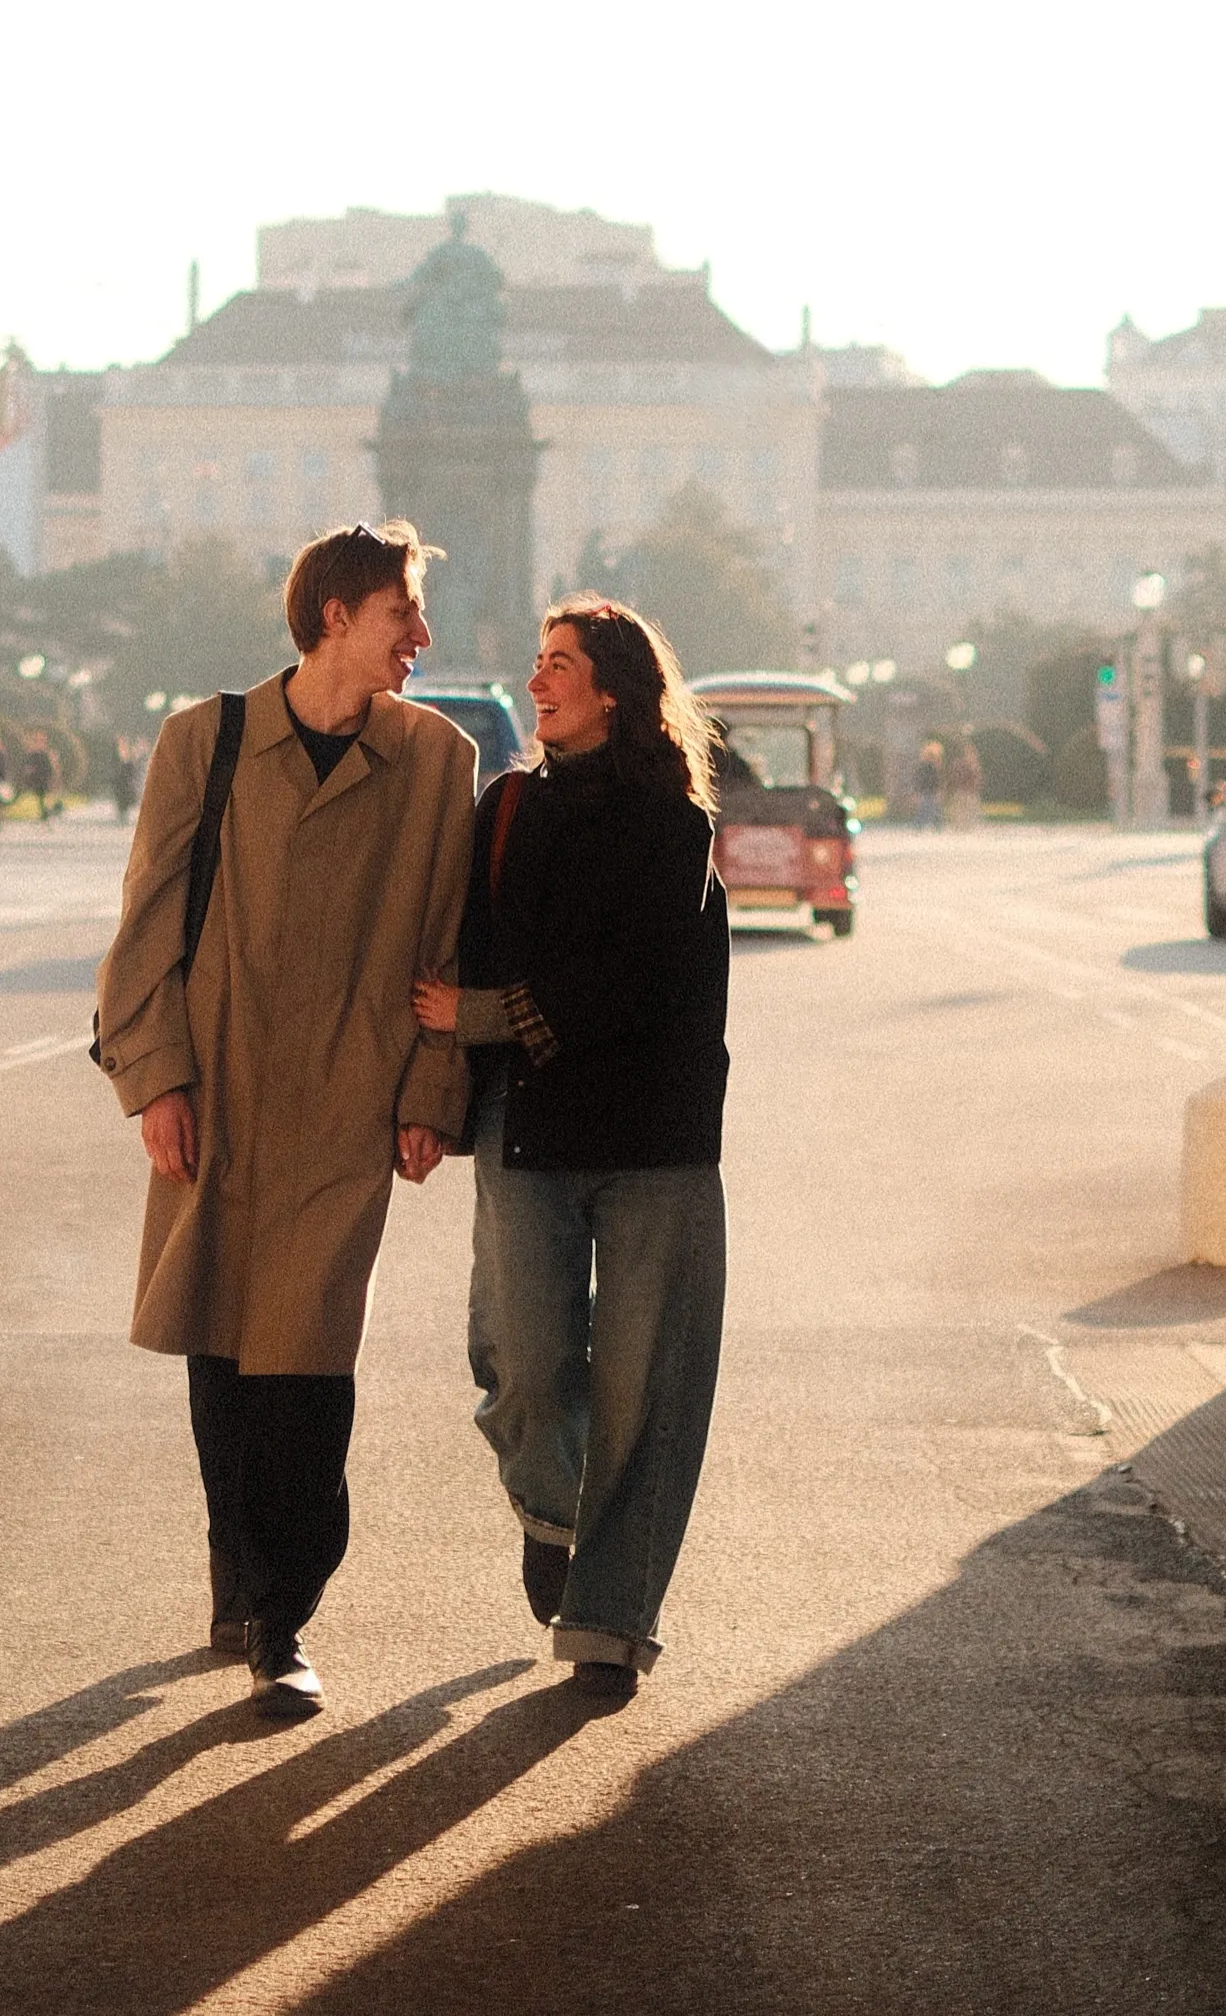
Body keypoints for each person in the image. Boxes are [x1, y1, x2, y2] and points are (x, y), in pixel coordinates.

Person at [94, 519, 474, 1720]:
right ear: (332, 618)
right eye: (401, 613)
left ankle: (282, 1615)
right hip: (217, 1086)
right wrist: (156, 1078)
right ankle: (238, 1564)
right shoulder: (202, 741)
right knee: (220, 1340)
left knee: (304, 1361)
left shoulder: (436, 759)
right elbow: (147, 917)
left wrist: (427, 1094)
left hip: (343, 1098)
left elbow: (448, 936)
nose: (421, 635)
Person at [413, 596, 729, 1709]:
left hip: (653, 1134)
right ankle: (550, 1509)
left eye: (559, 665)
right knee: (526, 1360)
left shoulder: (673, 820)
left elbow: (632, 980)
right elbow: (450, 965)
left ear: (612, 689)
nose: (537, 682)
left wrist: (490, 1015)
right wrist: (427, 1097)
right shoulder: (502, 810)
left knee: (649, 1383)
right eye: (536, 661)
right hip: (529, 1126)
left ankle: (610, 1621)